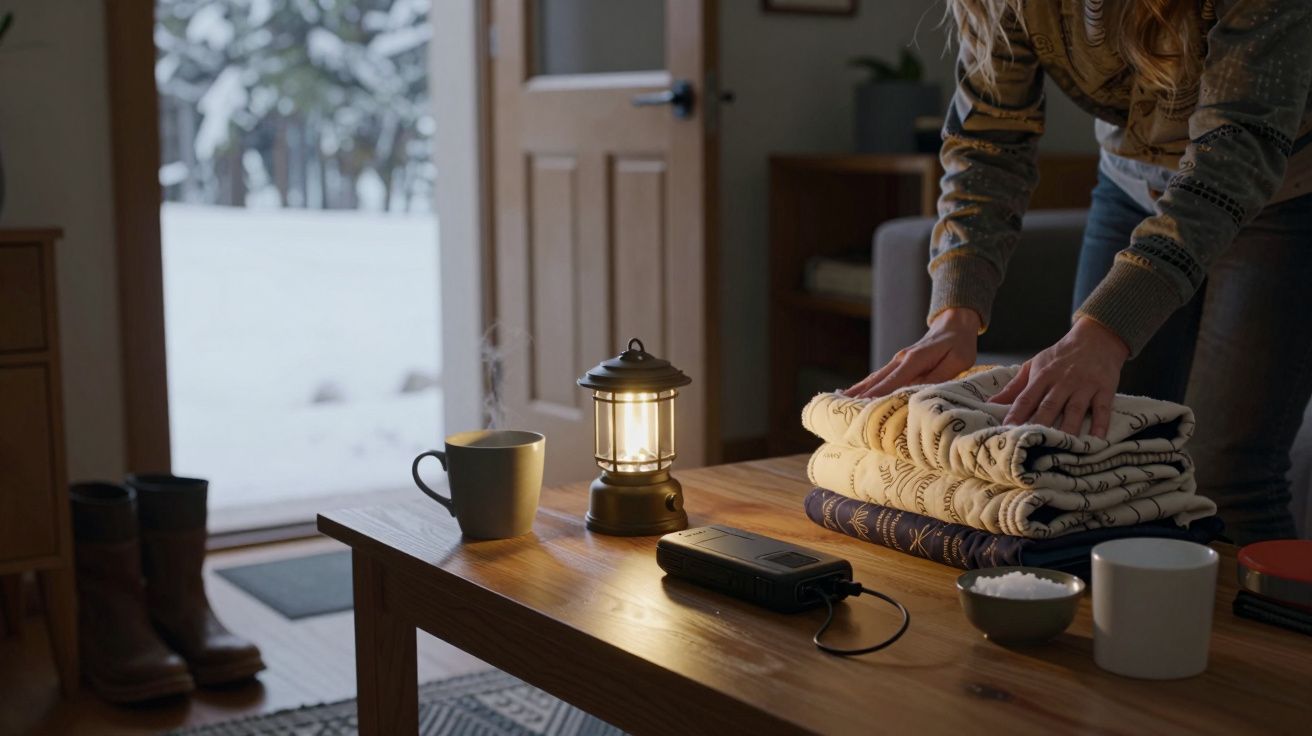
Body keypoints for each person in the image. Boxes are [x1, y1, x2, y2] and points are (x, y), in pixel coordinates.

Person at [845, 0, 1312, 543]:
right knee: (1094, 457)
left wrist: (1105, 330)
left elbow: (1236, 150)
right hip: (1131, 183)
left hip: (1282, 189)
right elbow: (989, 140)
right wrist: (955, 314)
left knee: (1231, 480)